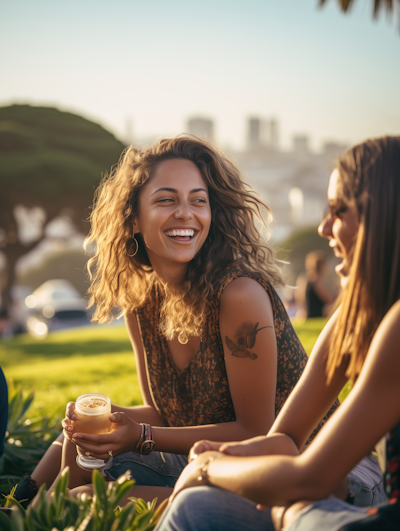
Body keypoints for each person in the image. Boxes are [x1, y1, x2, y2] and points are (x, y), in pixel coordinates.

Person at [13, 136, 338, 507]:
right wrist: (114, 421)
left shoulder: (238, 295)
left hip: (305, 471)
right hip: (216, 460)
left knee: (84, 498)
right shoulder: (142, 303)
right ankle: (26, 504)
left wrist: (141, 436)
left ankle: (45, 509)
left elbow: (256, 431)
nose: (186, 213)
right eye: (167, 199)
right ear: (133, 220)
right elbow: (165, 413)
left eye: (198, 200)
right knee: (82, 434)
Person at [155, 135, 400, 531]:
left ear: (385, 215)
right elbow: (285, 438)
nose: (323, 227)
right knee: (201, 504)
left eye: (339, 210)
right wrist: (223, 454)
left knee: (199, 505)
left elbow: (314, 479)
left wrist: (207, 469)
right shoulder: (352, 320)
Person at [295, 250, 336, 318]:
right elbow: (330, 300)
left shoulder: (303, 278)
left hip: (309, 316)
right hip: (318, 316)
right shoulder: (317, 281)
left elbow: (299, 300)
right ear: (321, 265)